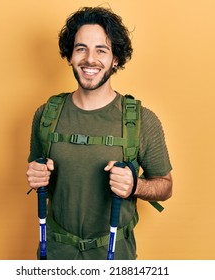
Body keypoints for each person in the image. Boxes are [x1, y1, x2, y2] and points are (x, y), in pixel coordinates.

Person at [26, 6, 173, 260]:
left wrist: (134, 185)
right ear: (70, 55)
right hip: (55, 255)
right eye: (81, 48)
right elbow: (37, 169)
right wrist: (35, 173)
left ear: (115, 59)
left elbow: (165, 186)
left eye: (101, 50)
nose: (89, 59)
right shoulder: (46, 115)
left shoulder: (142, 121)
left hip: (114, 256)